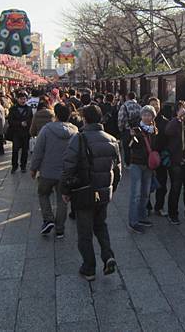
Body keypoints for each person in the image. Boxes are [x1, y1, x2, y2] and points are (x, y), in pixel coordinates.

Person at [61, 105, 122, 281]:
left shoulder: (78, 139)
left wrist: (65, 189)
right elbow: (117, 170)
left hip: (84, 192)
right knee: (101, 225)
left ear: (85, 119)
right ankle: (108, 255)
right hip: (103, 192)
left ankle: (89, 268)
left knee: (85, 231)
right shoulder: (111, 139)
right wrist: (112, 188)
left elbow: (68, 166)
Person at [30, 103, 78, 237]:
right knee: (62, 200)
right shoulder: (75, 131)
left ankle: (48, 219)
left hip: (47, 171)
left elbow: (38, 151)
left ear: (55, 115)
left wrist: (34, 168)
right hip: (65, 173)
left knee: (43, 193)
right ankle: (60, 229)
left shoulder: (46, 129)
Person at [127, 105, 159, 234]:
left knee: (145, 193)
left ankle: (142, 217)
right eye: (144, 114)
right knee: (136, 194)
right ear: (141, 116)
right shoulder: (136, 129)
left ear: (153, 117)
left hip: (149, 165)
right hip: (137, 164)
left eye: (149, 114)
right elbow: (130, 145)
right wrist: (131, 138)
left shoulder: (155, 131)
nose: (146, 117)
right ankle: (133, 222)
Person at [148, 97, 170, 216]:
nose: (155, 106)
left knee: (162, 184)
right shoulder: (144, 121)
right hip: (147, 157)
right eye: (152, 104)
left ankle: (159, 207)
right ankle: (147, 206)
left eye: (157, 104)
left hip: (161, 156)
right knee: (146, 183)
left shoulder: (165, 121)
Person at [7, 91, 33, 173]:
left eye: (24, 99)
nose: (23, 101)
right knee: (15, 150)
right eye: (21, 99)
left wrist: (28, 124)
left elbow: (31, 120)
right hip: (16, 133)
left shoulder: (29, 109)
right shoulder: (12, 109)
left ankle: (23, 166)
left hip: (26, 133)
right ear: (17, 99)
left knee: (25, 151)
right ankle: (14, 166)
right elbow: (10, 121)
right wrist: (20, 123)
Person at [117, 92, 142, 166]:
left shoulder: (124, 106)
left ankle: (128, 163)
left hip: (127, 130)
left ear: (127, 97)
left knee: (127, 147)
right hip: (137, 130)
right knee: (136, 145)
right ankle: (136, 161)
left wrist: (120, 129)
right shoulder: (139, 106)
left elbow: (121, 119)